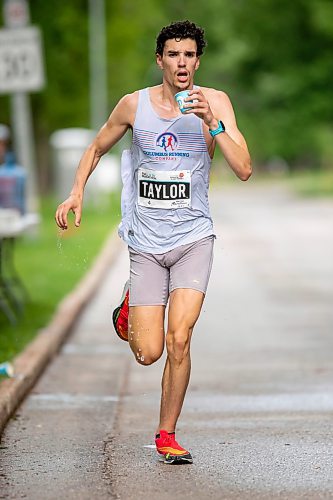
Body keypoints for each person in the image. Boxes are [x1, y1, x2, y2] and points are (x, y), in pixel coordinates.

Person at [55, 20, 252, 464]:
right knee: (149, 352)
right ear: (160, 59)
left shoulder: (216, 102)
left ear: (197, 61)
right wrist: (76, 192)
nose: (181, 63)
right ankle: (130, 306)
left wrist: (212, 122)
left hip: (193, 238)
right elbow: (95, 148)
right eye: (173, 54)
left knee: (179, 338)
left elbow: (244, 168)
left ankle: (167, 434)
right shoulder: (133, 105)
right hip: (145, 243)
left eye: (189, 55)